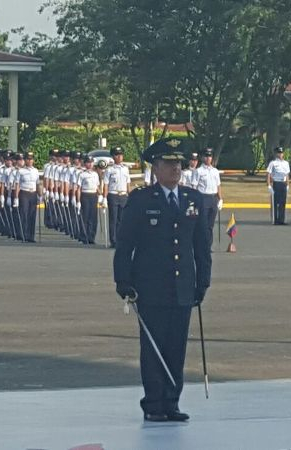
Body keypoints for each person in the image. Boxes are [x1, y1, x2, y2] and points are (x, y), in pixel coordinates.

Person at [113, 138, 211, 423]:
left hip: (183, 288)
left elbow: (201, 247)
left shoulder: (193, 199)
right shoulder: (142, 199)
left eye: (178, 164)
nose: (175, 169)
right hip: (150, 288)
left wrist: (202, 282)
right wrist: (123, 281)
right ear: (155, 168)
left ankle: (172, 402)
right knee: (154, 349)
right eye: (169, 164)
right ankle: (154, 403)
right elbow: (125, 245)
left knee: (176, 347)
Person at [191, 148, 223, 241]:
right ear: (202, 158)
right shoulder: (198, 171)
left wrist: (220, 199)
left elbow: (218, 185)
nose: (208, 158)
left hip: (213, 198)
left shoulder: (215, 171)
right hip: (203, 198)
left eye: (210, 156)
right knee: (203, 224)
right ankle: (202, 244)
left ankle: (208, 245)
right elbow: (194, 187)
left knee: (210, 225)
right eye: (206, 156)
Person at [103, 146, 131, 247]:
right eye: (117, 155)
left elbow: (128, 183)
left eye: (121, 155)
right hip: (113, 194)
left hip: (123, 195)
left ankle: (120, 239)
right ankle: (113, 240)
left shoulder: (125, 169)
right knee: (113, 219)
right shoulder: (109, 169)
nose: (119, 157)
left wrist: (129, 195)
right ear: (113, 157)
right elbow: (106, 184)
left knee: (121, 219)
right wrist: (104, 198)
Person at [15, 151, 42, 243]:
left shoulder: (35, 171)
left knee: (32, 215)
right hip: (24, 193)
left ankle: (31, 236)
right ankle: (23, 234)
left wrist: (40, 195)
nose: (30, 161)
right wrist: (16, 197)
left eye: (31, 159)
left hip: (33, 193)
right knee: (24, 214)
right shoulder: (21, 171)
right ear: (25, 160)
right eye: (28, 159)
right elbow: (17, 185)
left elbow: (38, 184)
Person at [76, 155, 101, 244]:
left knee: (93, 218)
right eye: (88, 162)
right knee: (85, 217)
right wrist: (78, 201)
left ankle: (91, 237)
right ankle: (84, 237)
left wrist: (101, 195)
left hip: (93, 195)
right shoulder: (82, 174)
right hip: (85, 195)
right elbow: (78, 188)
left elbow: (97, 187)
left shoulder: (95, 174)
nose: (90, 164)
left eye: (91, 162)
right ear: (85, 163)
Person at [266, 147, 290, 225]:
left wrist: (288, 184)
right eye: (279, 153)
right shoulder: (272, 163)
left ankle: (281, 220)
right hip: (276, 183)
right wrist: (269, 185)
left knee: (283, 203)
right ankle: (275, 219)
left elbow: (287, 174)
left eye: (281, 153)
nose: (280, 154)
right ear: (276, 154)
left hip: (283, 184)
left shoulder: (286, 163)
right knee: (275, 203)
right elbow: (268, 174)